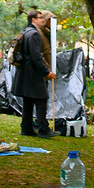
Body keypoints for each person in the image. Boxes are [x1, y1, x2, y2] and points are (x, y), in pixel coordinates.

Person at [13, 10, 61, 138]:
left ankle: (26, 128)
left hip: (24, 72)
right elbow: (36, 56)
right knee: (41, 100)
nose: (42, 20)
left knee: (28, 101)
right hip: (33, 72)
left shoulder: (26, 31)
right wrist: (46, 72)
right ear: (33, 20)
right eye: (40, 18)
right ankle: (43, 129)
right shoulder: (34, 34)